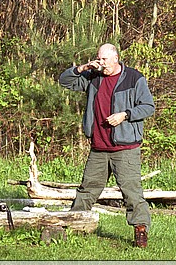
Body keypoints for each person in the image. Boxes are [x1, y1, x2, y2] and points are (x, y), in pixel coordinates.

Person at [58, 43, 155, 248]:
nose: (101, 64)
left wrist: (125, 115)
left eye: (105, 60)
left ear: (116, 58)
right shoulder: (93, 77)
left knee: (132, 193)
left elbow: (148, 107)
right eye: (99, 59)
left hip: (125, 148)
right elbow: (64, 80)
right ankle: (75, 226)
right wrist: (83, 68)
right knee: (87, 190)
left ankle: (141, 229)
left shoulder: (134, 78)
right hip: (99, 147)